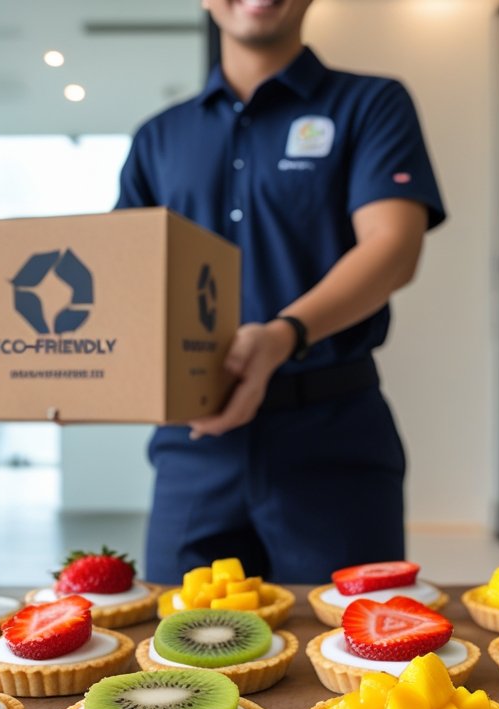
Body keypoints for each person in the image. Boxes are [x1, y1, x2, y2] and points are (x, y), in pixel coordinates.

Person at [116, 0, 445, 584]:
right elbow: (127, 280)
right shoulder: (157, 138)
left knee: (346, 635)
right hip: (195, 445)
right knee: (181, 631)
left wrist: (282, 335)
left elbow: (394, 246)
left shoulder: (371, 104)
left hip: (332, 434)